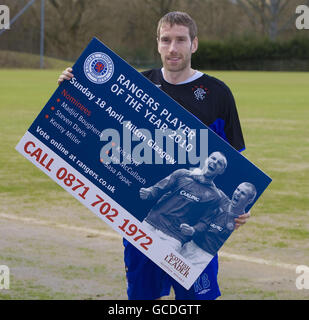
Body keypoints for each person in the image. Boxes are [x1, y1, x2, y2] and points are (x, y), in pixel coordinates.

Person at [58, 11, 251, 300]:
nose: (173, 48)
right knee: (142, 298)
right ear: (158, 44)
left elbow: (235, 164)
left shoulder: (217, 93)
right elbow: (97, 127)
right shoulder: (135, 86)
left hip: (192, 236)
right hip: (143, 224)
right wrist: (71, 90)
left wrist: (237, 210)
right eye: (166, 40)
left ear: (194, 44)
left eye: (180, 40)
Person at [139, 151, 228, 253]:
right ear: (207, 159)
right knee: (135, 260)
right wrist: (149, 192)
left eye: (219, 163)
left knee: (155, 268)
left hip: (173, 238)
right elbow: (158, 188)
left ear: (221, 171)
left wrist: (193, 230)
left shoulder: (215, 196)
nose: (215, 162)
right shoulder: (182, 174)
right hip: (151, 223)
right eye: (213, 158)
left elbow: (204, 222)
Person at [180, 182, 257, 272]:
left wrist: (248, 211)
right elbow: (210, 187)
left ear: (249, 200)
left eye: (243, 193)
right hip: (190, 247)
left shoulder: (241, 220)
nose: (237, 193)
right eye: (238, 190)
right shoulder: (221, 200)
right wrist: (193, 230)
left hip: (206, 258)